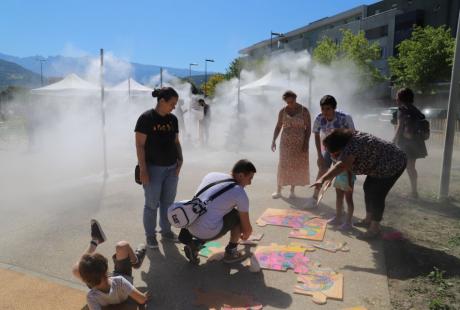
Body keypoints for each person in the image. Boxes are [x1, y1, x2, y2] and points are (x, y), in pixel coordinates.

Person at [311, 129, 407, 239]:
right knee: (368, 188)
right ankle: (368, 219)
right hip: (377, 164)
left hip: (393, 162)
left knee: (377, 194)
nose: (332, 155)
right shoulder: (346, 141)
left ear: (340, 147)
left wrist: (321, 179)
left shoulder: (352, 146)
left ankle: (374, 228)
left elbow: (341, 166)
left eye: (334, 152)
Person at [178, 159, 256, 265]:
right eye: (250, 178)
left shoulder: (212, 175)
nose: (250, 183)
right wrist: (246, 234)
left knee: (215, 212)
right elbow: (247, 230)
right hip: (205, 231)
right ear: (241, 175)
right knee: (237, 217)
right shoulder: (239, 193)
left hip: (189, 223)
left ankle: (194, 245)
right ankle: (231, 252)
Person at [135, 87, 184, 249]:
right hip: (153, 169)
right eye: (172, 103)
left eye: (175, 104)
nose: (174, 107)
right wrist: (143, 170)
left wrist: (180, 160)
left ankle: (166, 231)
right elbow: (140, 146)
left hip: (172, 168)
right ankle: (150, 235)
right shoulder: (146, 118)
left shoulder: (173, 120)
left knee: (168, 203)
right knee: (151, 204)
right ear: (162, 101)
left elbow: (176, 142)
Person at [72, 220, 148, 310]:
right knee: (122, 245)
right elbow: (142, 299)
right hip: (122, 276)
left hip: (98, 280)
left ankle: (95, 240)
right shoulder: (120, 281)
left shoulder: (91, 297)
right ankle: (136, 261)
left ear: (86, 281)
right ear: (106, 271)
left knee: (76, 269)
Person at [312, 95, 355, 202]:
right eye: (322, 109)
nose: (325, 112)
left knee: (341, 173)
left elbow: (353, 136)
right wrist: (319, 155)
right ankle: (314, 197)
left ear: (334, 108)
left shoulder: (345, 117)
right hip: (329, 147)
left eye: (328, 109)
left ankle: (345, 205)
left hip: (344, 148)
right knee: (322, 168)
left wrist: (346, 155)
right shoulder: (319, 118)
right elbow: (316, 135)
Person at [271, 90, 311, 198]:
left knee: (295, 165)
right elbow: (278, 126)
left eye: (292, 101)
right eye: (288, 102)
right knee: (283, 164)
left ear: (295, 99)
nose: (290, 104)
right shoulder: (282, 111)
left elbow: (308, 129)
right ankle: (279, 190)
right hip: (285, 143)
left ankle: (292, 191)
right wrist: (273, 140)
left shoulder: (304, 111)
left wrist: (306, 143)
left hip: (299, 143)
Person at [393, 88, 427, 199]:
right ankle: (414, 191)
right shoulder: (415, 109)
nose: (396, 98)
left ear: (401, 98)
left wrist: (393, 141)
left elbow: (399, 127)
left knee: (395, 165)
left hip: (405, 143)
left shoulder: (402, 109)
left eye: (397, 96)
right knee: (411, 167)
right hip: (416, 143)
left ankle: (411, 192)